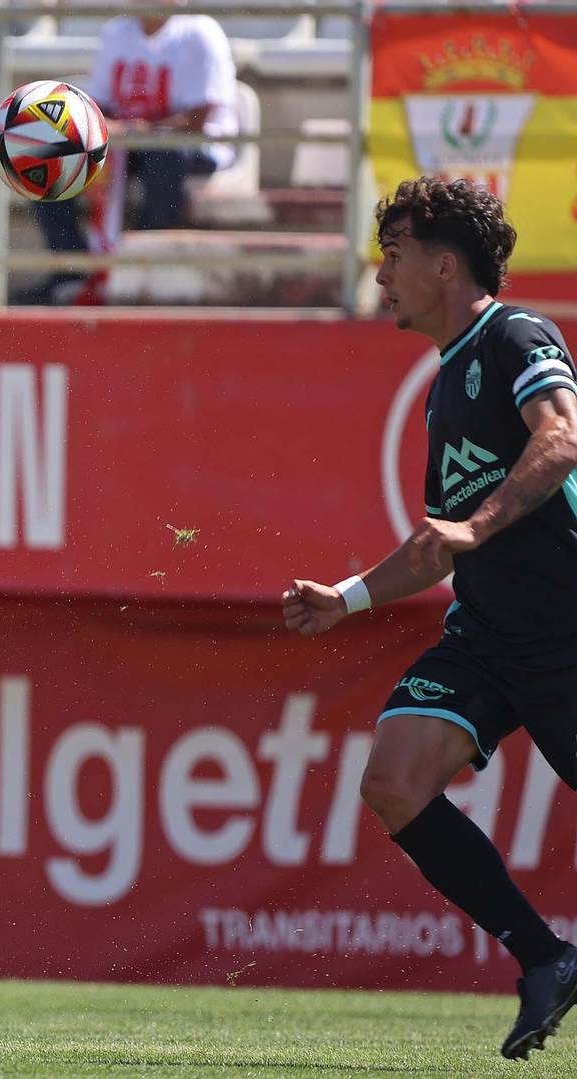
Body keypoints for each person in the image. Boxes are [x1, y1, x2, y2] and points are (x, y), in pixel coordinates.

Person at [284, 177, 577, 1061]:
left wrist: (479, 525)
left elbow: (561, 435)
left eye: (396, 254)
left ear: (445, 265)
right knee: (394, 780)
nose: (381, 275)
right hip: (488, 639)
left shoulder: (517, 334)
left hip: (565, 630)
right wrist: (349, 597)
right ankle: (546, 958)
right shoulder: (444, 382)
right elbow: (437, 543)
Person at [25, 0, 237, 304]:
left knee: (162, 155)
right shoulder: (117, 32)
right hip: (128, 144)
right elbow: (97, 104)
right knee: (48, 157)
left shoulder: (199, 32)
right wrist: (111, 129)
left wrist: (136, 131)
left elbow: (197, 118)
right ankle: (71, 270)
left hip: (192, 147)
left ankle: (140, 271)